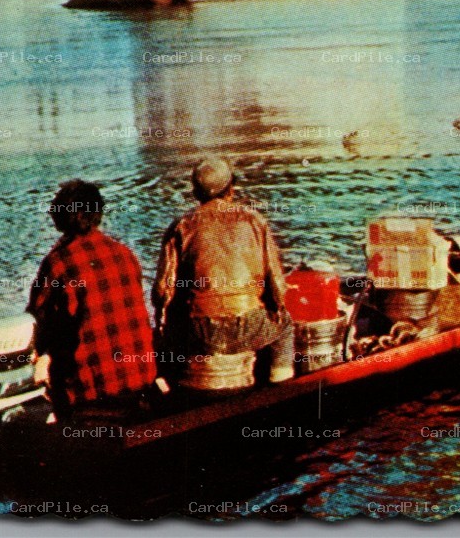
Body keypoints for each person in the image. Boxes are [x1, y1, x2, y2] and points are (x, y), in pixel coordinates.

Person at [153, 158, 294, 385]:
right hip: (250, 327)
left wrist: (165, 326)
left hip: (200, 332)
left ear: (195, 193)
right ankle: (281, 385)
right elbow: (277, 286)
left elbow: (162, 292)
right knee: (285, 326)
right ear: (232, 189)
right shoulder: (254, 220)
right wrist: (276, 308)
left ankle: (168, 386)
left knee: (166, 336)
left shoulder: (182, 225)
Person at [26, 180, 159, 418]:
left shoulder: (58, 262)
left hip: (91, 391)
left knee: (52, 345)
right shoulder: (125, 254)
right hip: (140, 381)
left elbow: (40, 314)